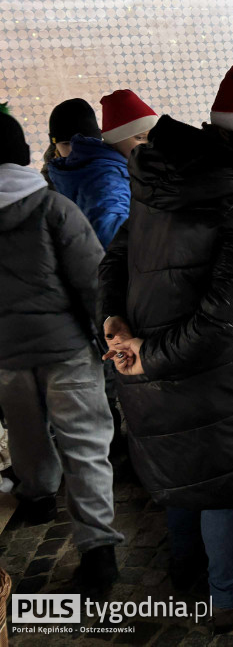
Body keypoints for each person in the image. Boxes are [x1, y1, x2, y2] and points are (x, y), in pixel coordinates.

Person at [98, 62, 233, 631]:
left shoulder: (166, 172)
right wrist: (147, 353)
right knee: (221, 483)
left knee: (184, 469)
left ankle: (186, 568)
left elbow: (114, 259)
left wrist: (117, 323)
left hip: (165, 373)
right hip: (217, 379)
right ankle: (229, 599)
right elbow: (222, 321)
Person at [0, 109, 122, 596]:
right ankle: (99, 554)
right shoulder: (52, 208)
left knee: (26, 434)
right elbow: (93, 278)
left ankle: (37, 499)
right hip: (68, 350)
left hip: (7, 356)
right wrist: (108, 339)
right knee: (87, 446)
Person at [49, 90, 157, 249]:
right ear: (116, 139)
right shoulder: (108, 175)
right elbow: (111, 234)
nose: (148, 145)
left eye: (152, 137)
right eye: (140, 138)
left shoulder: (111, 168)